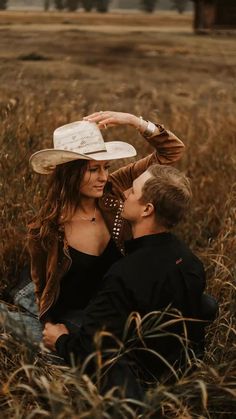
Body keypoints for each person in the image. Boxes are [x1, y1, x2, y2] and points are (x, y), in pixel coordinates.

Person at [0, 111, 185, 345]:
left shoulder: (114, 189)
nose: (103, 177)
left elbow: (171, 152)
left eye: (106, 167)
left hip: (112, 304)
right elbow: (42, 286)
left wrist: (133, 121)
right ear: (70, 173)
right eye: (93, 169)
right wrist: (50, 328)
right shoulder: (47, 228)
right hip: (74, 312)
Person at [42, 164, 208, 394]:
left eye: (133, 191)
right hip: (178, 365)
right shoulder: (189, 259)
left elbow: (91, 351)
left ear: (147, 209)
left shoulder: (123, 275)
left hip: (141, 376)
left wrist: (59, 339)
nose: (125, 192)